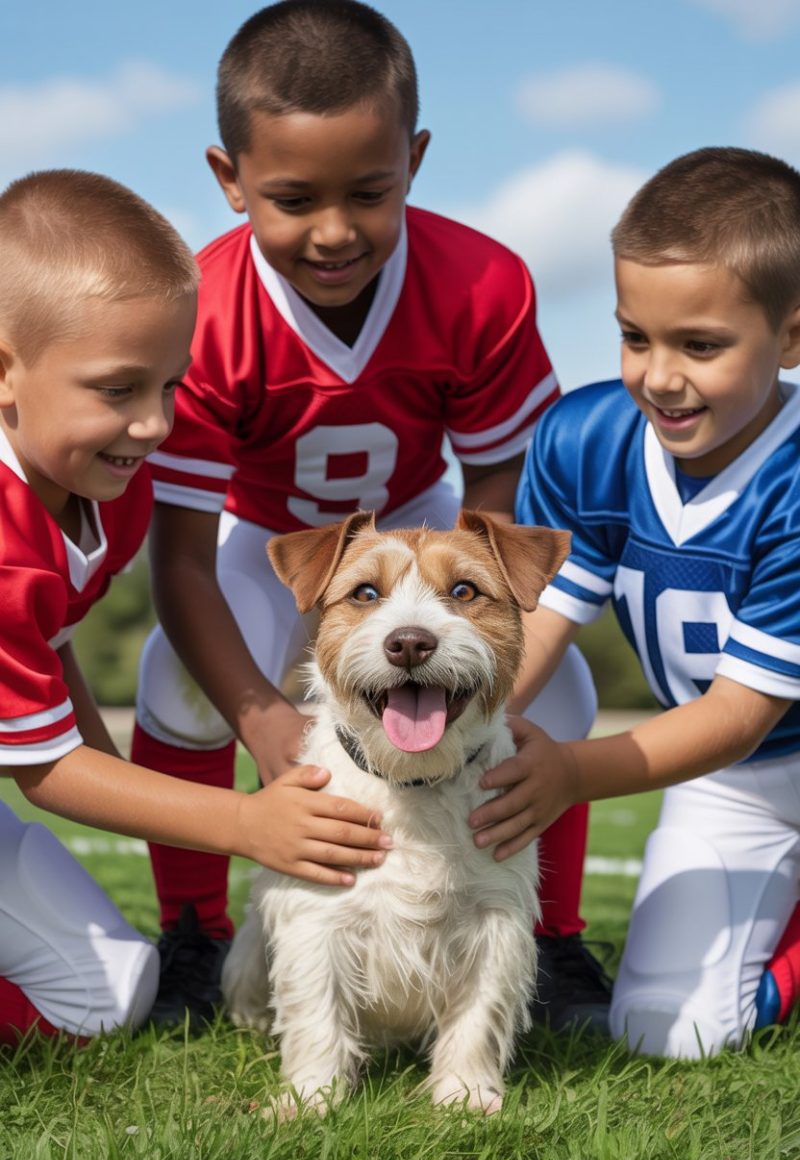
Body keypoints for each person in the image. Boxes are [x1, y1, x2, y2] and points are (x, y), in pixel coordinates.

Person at [130, 0, 605, 1030]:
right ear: (228, 179)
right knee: (174, 678)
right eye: (293, 198)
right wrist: (267, 725)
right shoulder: (202, 308)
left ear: (415, 160)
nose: (335, 230)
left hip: (427, 524)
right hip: (263, 537)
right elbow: (180, 565)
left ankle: (552, 937)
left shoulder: (478, 281)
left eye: (371, 192)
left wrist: (478, 650)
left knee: (554, 686)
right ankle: (194, 932)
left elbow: (493, 500)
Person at [0, 169, 390, 1045]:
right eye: (117, 389)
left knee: (111, 994)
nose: (154, 424)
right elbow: (45, 771)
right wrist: (248, 823)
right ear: (4, 372)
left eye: (170, 386)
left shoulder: (107, 483)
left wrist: (133, 790)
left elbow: (51, 649)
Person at [471, 146, 800, 1058]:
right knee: (667, 1033)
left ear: (794, 338)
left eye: (701, 345)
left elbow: (737, 712)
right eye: (634, 336)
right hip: (739, 781)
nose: (658, 375)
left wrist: (571, 772)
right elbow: (538, 619)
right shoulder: (587, 438)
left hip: (741, 734)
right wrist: (462, 722)